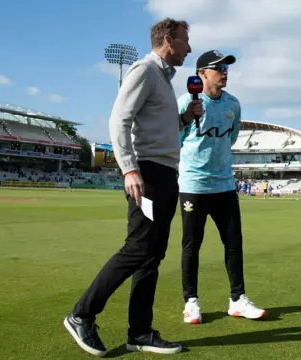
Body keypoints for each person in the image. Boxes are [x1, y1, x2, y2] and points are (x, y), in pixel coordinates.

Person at [64, 18, 202, 356]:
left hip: (166, 173)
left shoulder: (163, 80)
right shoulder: (143, 70)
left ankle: (140, 332)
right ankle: (81, 315)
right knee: (138, 249)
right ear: (168, 40)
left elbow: (155, 125)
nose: (189, 47)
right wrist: (129, 169)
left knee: (152, 256)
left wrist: (183, 120)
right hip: (148, 174)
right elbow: (118, 119)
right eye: (185, 40)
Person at [178, 50, 266, 325]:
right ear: (202, 73)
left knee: (234, 243)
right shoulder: (186, 102)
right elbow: (174, 135)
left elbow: (232, 136)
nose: (224, 71)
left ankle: (237, 300)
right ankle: (191, 302)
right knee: (192, 245)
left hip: (225, 185)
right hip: (193, 185)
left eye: (226, 67)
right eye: (218, 67)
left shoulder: (233, 103)